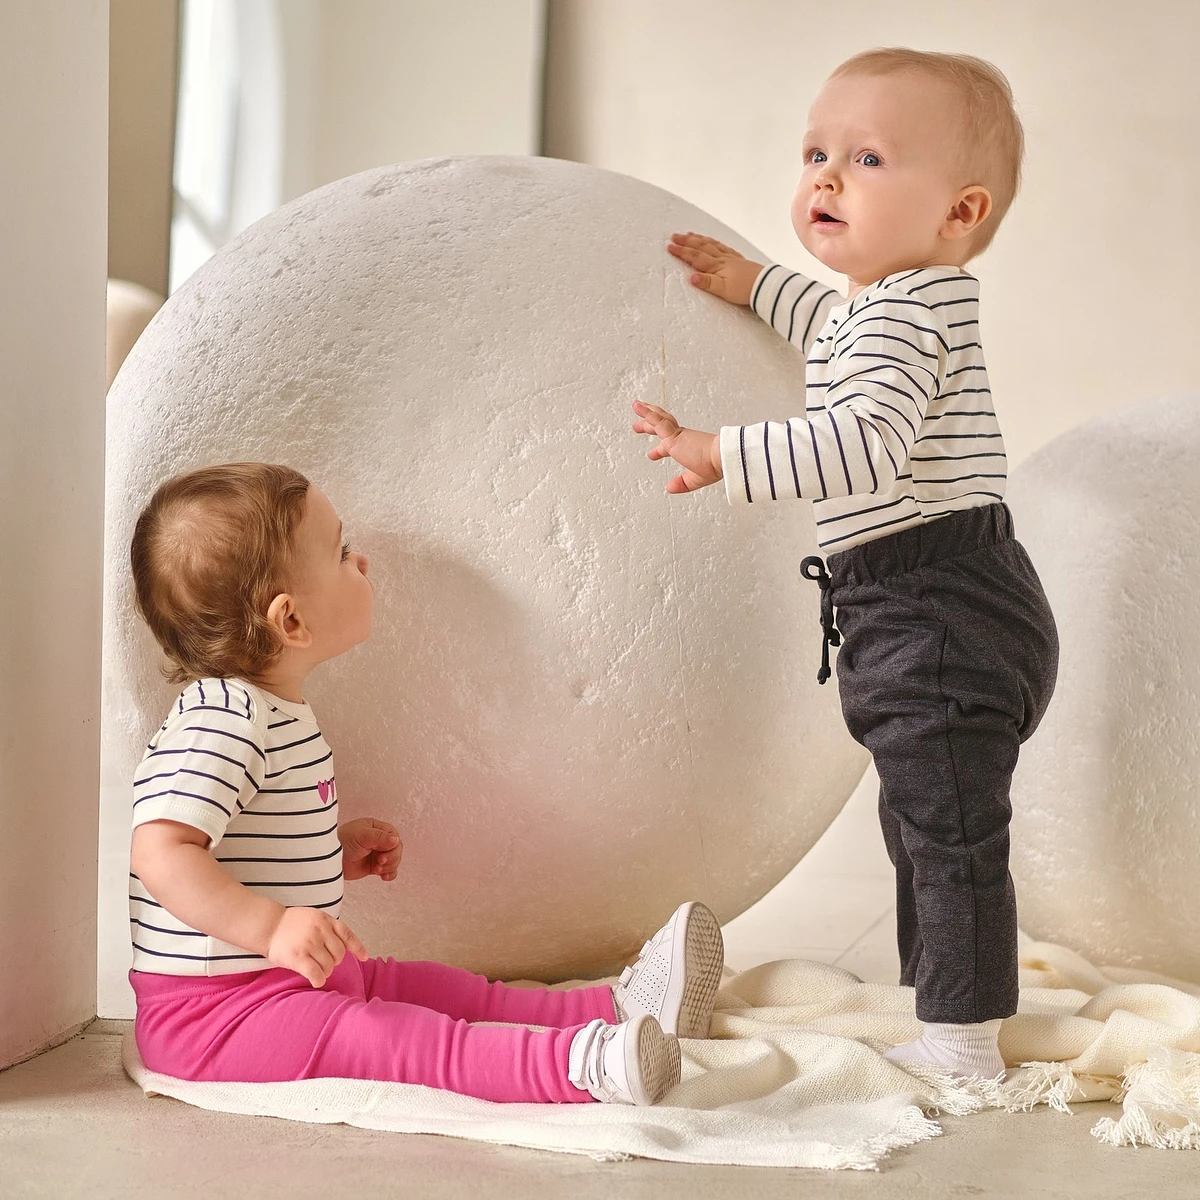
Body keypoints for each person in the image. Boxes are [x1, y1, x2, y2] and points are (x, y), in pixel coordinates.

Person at [631, 48, 1058, 1080]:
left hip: (938, 604)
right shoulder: (896, 304)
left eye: (866, 159)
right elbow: (832, 325)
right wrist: (759, 285)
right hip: (929, 595)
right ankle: (936, 1004)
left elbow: (864, 443)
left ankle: (962, 1040)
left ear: (959, 212)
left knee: (947, 831)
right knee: (921, 822)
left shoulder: (906, 317)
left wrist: (720, 451)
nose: (825, 176)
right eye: (815, 153)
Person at [126, 461, 725, 1105]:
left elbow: (243, 844)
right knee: (402, 1039)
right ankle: (579, 1068)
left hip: (287, 983)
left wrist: (330, 850)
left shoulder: (267, 711)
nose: (362, 563)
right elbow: (159, 851)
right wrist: (271, 928)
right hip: (215, 1018)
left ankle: (611, 1009)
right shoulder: (223, 718)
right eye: (343, 553)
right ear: (290, 621)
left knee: (440, 989)